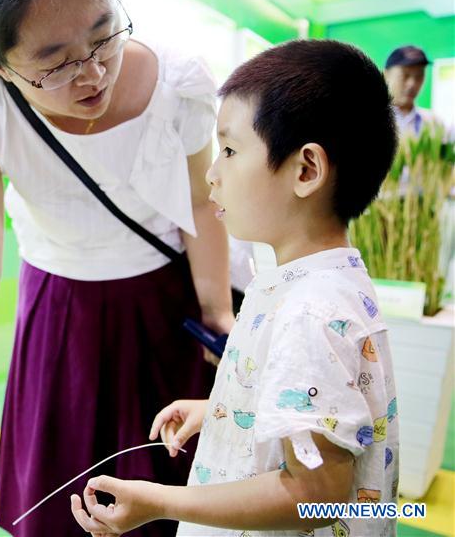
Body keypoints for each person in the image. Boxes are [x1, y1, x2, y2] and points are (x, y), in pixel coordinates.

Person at [0, 0, 235, 534]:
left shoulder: (179, 83)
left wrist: (217, 315)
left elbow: (202, 206)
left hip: (165, 306)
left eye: (104, 35)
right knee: (65, 503)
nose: (92, 74)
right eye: (56, 61)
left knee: (171, 495)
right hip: (59, 312)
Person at [70, 39, 400, 537]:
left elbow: (314, 495)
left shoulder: (310, 312)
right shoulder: (317, 285)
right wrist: (229, 412)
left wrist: (161, 501)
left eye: (228, 149)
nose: (211, 173)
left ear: (305, 170)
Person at [383, 45, 448, 138]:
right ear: (386, 74)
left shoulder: (434, 124)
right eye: (405, 75)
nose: (412, 84)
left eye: (419, 76)